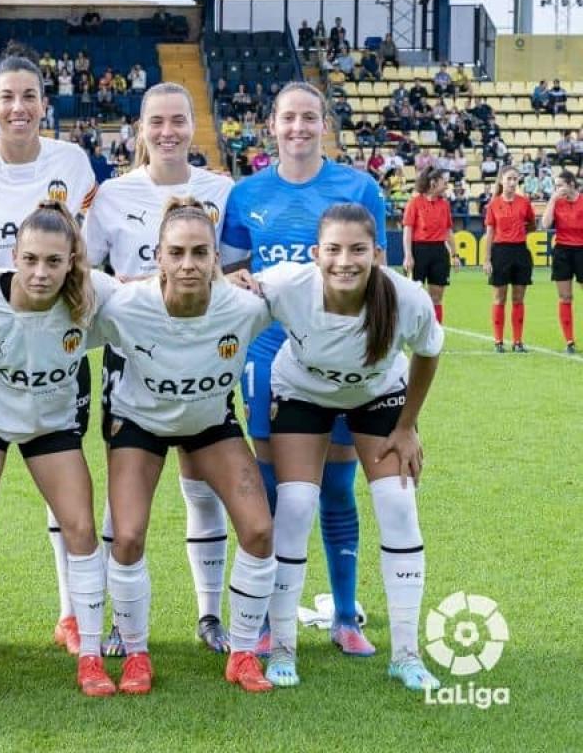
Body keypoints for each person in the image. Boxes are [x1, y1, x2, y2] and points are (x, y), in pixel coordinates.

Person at [229, 203, 444, 692]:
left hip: (377, 395)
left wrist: (407, 426)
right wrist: (236, 284)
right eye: (333, 249)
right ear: (315, 254)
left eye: (357, 250)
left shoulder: (406, 298)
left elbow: (429, 352)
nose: (344, 261)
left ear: (377, 254)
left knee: (397, 504)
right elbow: (236, 303)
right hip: (301, 392)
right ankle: (282, 647)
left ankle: (407, 654)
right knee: (298, 504)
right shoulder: (288, 284)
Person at [221, 82, 387, 658]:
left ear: (324, 124)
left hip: (340, 360)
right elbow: (233, 279)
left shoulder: (359, 188)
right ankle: (270, 619)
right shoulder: (245, 195)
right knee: (273, 492)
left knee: (338, 487)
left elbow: (378, 277)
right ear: (271, 124)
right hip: (268, 360)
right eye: (288, 117)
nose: (298, 127)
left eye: (309, 118)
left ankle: (345, 615)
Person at [0, 46, 98, 657]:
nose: (18, 107)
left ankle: (69, 614)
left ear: (44, 103)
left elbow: (85, 250)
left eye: (28, 96)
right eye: (6, 97)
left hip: (56, 353)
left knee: (67, 503)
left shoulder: (73, 162)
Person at [93, 197, 276, 694]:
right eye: (178, 253)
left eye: (201, 252)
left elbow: (310, 295)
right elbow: (56, 323)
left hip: (209, 421)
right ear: (159, 256)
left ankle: (242, 653)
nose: (189, 264)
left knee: (260, 530)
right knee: (127, 537)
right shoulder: (125, 306)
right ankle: (135, 654)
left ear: (217, 257)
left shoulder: (246, 306)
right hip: (139, 423)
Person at [83, 82, 238, 657]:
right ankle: (118, 624)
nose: (168, 131)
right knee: (123, 505)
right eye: (157, 121)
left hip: (204, 366)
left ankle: (209, 613)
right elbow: (86, 272)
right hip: (133, 365)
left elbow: (238, 275)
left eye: (178, 120)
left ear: (193, 124)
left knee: (202, 491)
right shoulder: (111, 195)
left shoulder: (222, 190)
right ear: (140, 128)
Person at [0, 201, 118, 700]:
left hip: (50, 421)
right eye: (31, 260)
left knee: (81, 528)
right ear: (14, 255)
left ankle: (89, 656)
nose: (41, 273)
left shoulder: (94, 294)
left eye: (54, 262)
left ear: (72, 262)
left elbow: (151, 304)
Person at [483, 166, 535, 352]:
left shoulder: (524, 203)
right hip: (500, 252)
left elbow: (531, 225)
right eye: (509, 179)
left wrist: (519, 233)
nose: (513, 183)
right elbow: (489, 233)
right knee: (499, 298)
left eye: (515, 179)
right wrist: (487, 259)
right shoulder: (493, 204)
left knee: (518, 298)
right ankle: (498, 341)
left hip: (520, 251)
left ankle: (517, 341)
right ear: (501, 181)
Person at [402, 167, 459, 323]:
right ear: (433, 183)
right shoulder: (415, 203)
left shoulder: (444, 205)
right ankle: (414, 333)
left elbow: (448, 231)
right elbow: (408, 229)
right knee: (414, 296)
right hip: (419, 250)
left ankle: (435, 336)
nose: (447, 186)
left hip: (439, 252)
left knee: (437, 297)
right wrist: (408, 255)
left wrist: (454, 254)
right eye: (444, 182)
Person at [541, 170, 583, 354]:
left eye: (560, 185)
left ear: (571, 184)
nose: (557, 189)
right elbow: (545, 224)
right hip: (562, 251)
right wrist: (551, 200)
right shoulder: (556, 202)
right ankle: (569, 341)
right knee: (565, 297)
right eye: (555, 186)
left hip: (582, 250)